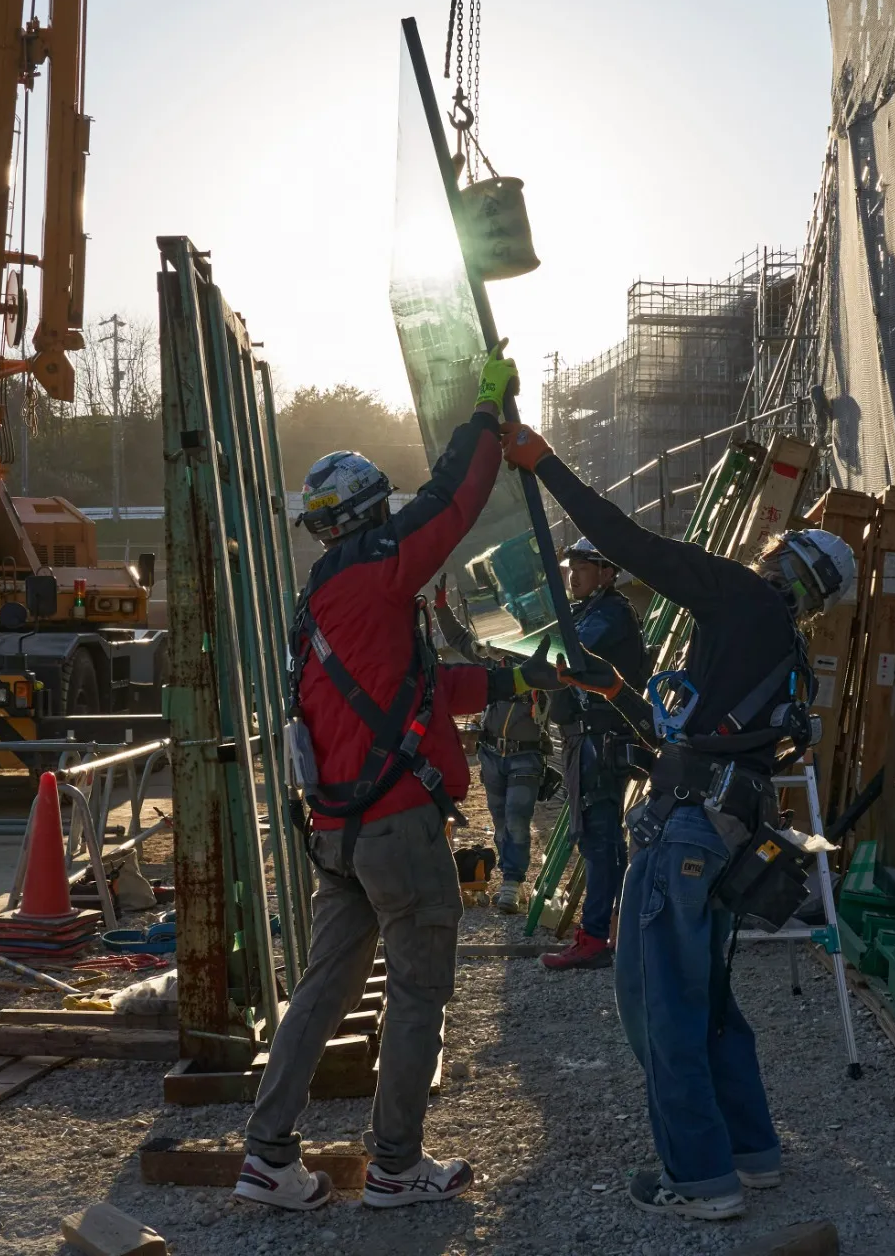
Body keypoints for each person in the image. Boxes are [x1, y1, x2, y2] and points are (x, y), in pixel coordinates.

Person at [502, 419, 857, 1222]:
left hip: (687, 834)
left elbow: (628, 543)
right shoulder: (784, 654)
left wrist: (543, 463)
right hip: (728, 831)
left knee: (659, 1003)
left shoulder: (739, 599)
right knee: (710, 999)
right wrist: (616, 698)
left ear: (782, 566)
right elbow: (699, 735)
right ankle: (751, 1152)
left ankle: (699, 1179)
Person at [238, 345, 540, 1213]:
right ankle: (398, 1167)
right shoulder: (380, 568)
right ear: (371, 517)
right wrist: (484, 416)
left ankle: (266, 1156)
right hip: (399, 828)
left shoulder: (329, 602)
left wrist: (524, 680)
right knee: (417, 993)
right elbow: (452, 501)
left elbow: (422, 695)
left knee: (324, 988)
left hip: (341, 831)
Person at [540, 537, 647, 970]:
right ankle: (612, 931)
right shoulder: (590, 612)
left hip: (597, 742)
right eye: (571, 567)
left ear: (607, 572)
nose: (574, 574)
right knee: (605, 843)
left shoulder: (609, 614)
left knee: (598, 841)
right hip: (588, 739)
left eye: (584, 566)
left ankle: (595, 938)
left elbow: (570, 653)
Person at [432, 581, 549, 913]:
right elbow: (459, 640)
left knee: (516, 819)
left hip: (526, 753)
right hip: (493, 752)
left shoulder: (541, 661)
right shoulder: (494, 660)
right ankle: (509, 878)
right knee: (501, 821)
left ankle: (512, 881)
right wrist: (441, 608)